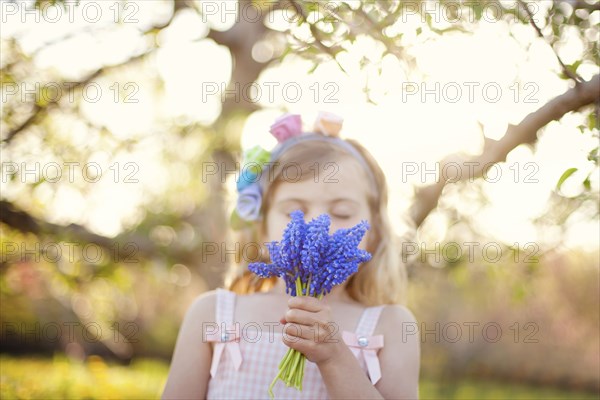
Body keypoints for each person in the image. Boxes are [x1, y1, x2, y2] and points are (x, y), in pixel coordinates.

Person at [162, 112, 420, 399]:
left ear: (374, 232)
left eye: (342, 212)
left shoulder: (391, 325)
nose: (316, 226)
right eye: (293, 211)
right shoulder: (212, 314)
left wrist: (334, 357)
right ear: (261, 227)